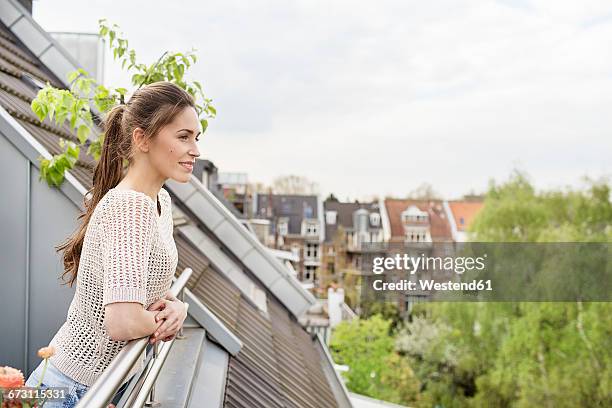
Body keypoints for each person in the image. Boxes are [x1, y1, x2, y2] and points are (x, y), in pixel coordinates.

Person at [24, 81, 200, 407]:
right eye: (183, 137)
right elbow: (123, 322)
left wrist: (177, 305)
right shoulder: (128, 207)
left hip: (103, 385)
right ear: (142, 139)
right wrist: (167, 323)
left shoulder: (159, 201)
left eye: (196, 138)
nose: (196, 150)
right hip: (66, 390)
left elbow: (146, 287)